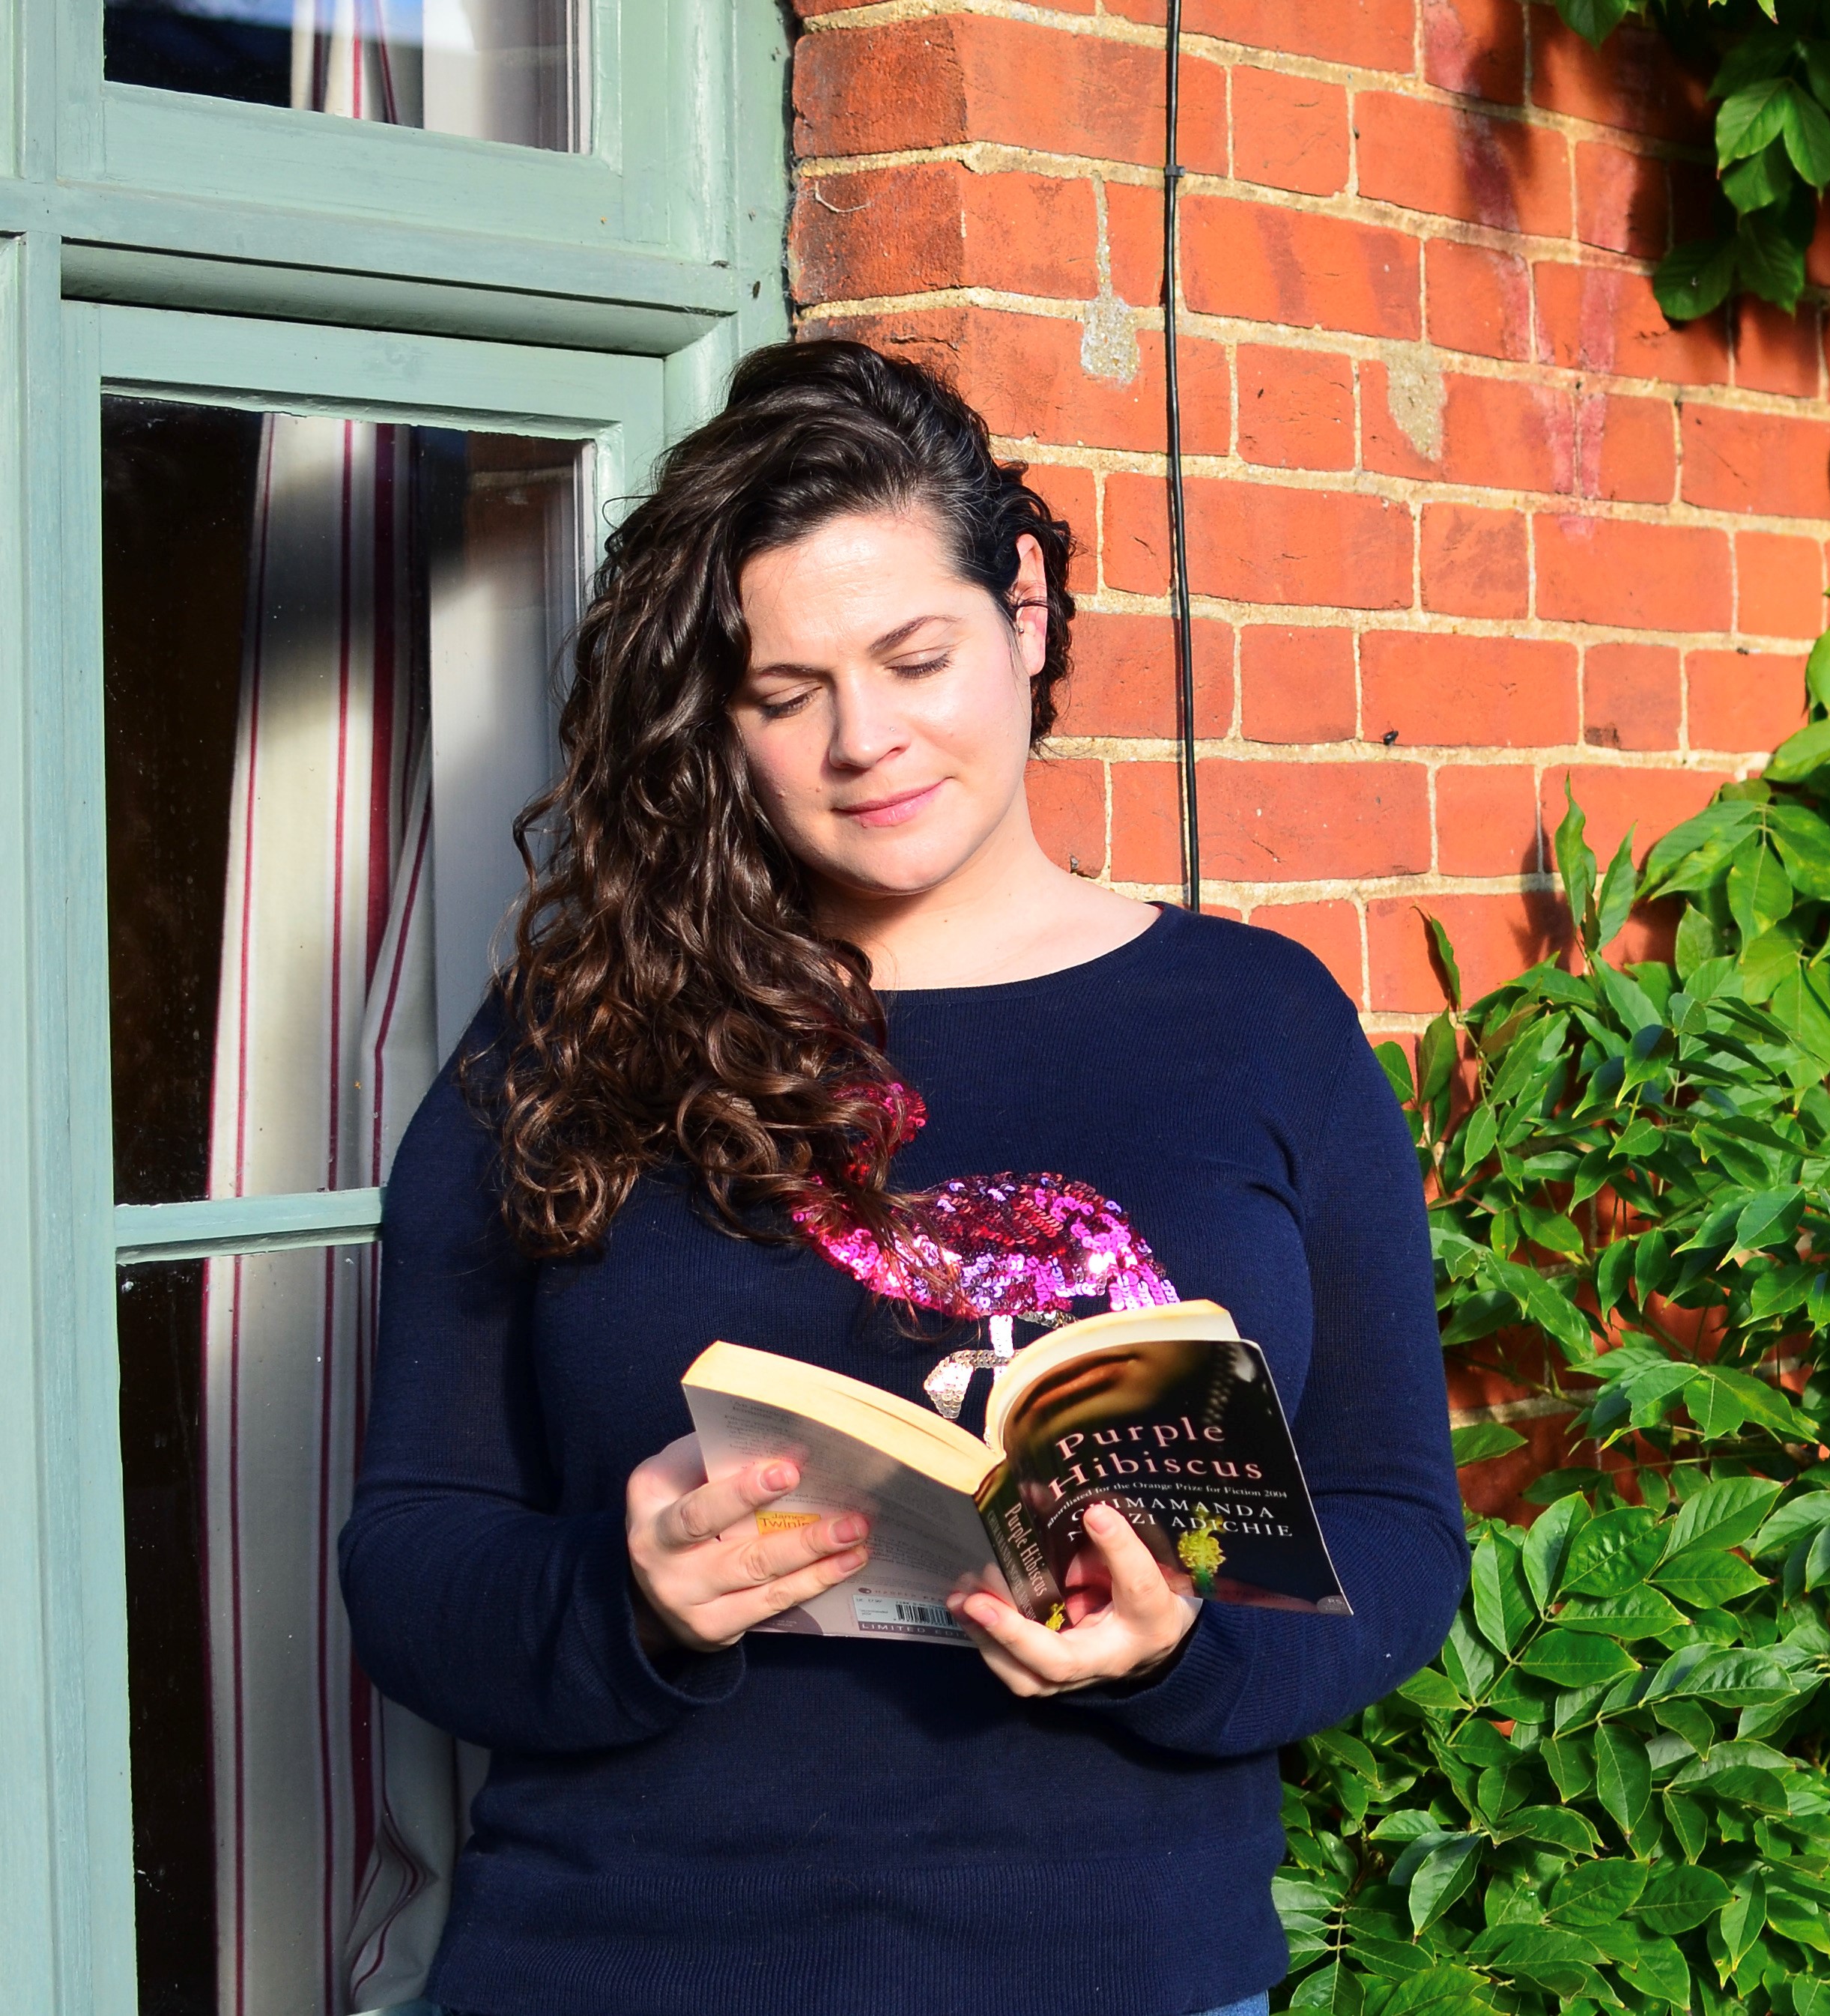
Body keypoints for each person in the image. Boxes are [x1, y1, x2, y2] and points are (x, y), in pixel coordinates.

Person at [340, 338, 1466, 2016]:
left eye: (913, 654)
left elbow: (1393, 1534)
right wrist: (625, 1594)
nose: (866, 738)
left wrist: (1176, 1655)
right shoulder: (574, 1040)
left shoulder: (1262, 1025)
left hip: (1119, 1966)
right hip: (614, 1960)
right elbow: (412, 1562)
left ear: (1021, 610)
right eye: (785, 694)